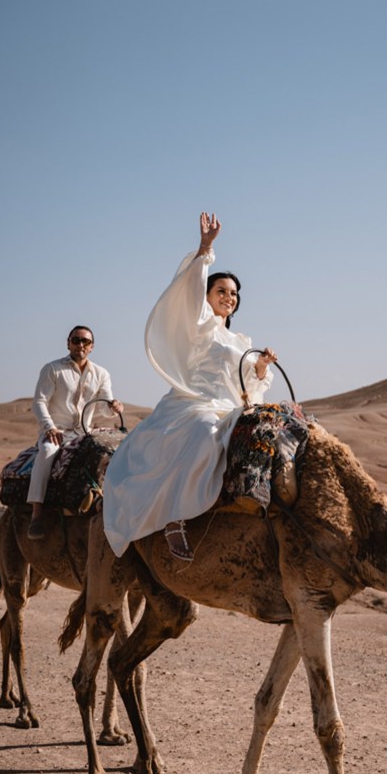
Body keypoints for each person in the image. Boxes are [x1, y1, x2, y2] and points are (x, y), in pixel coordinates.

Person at [103, 212, 278, 562]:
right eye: (221, 291)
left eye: (234, 293)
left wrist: (259, 368)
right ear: (208, 296)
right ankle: (174, 517)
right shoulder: (201, 326)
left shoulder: (242, 340)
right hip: (196, 402)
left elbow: (250, 387)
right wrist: (205, 249)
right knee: (203, 431)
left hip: (232, 406)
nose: (229, 297)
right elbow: (190, 293)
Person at [27, 325, 124, 539]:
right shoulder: (52, 369)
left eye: (85, 341)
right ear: (68, 343)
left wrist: (114, 407)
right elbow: (39, 402)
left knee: (112, 456)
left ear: (92, 346)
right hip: (56, 431)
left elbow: (103, 406)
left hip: (84, 434)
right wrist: (49, 427)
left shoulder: (101, 374)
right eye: (76, 340)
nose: (80, 344)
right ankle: (36, 513)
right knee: (47, 452)